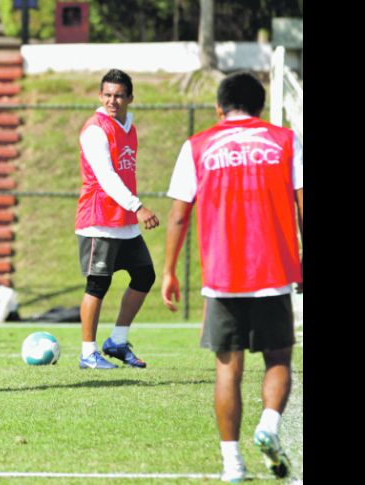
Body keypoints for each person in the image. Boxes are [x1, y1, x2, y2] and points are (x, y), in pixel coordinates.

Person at [161, 72, 302, 482]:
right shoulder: (285, 141)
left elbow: (177, 214)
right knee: (277, 359)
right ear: (261, 107)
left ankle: (232, 465)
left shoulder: (198, 146)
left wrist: (169, 270)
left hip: (222, 275)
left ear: (219, 108)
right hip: (273, 269)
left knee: (228, 369)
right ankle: (269, 425)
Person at [75, 69, 160, 370]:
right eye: (108, 95)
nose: (113, 100)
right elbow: (106, 177)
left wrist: (132, 210)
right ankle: (88, 353)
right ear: (100, 96)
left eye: (119, 95)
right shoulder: (95, 129)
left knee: (145, 276)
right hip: (98, 219)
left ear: (129, 98)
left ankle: (118, 342)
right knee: (98, 284)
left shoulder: (129, 127)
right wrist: (137, 206)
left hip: (124, 221)